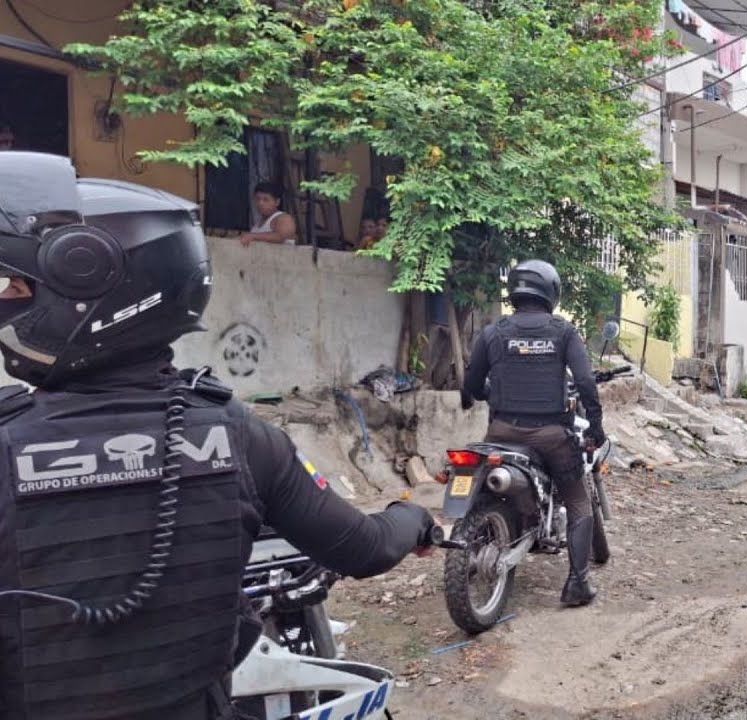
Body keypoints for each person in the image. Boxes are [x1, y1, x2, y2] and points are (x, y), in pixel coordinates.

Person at [0, 152, 437, 720]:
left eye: (19, 287)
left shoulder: (11, 445)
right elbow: (366, 547)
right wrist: (413, 515)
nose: (10, 300)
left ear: (88, 290)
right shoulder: (241, 436)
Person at [461, 260, 605, 607]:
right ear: (550, 292)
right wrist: (596, 426)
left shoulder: (494, 332)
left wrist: (482, 395)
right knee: (578, 500)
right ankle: (577, 583)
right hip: (551, 436)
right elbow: (585, 382)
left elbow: (470, 384)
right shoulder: (563, 332)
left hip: (500, 433)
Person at [238, 181, 297, 246]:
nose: (260, 203)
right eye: (257, 199)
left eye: (266, 199)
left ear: (277, 202)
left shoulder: (284, 218)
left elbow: (280, 237)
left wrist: (252, 236)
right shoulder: (257, 224)